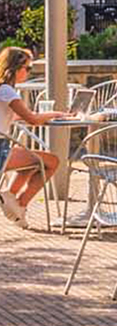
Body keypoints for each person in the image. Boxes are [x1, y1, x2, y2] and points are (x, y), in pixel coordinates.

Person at [0, 47, 73, 227]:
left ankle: (10, 197)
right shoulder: (7, 91)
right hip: (1, 151)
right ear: (15, 68)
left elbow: (16, 115)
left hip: (3, 147)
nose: (29, 72)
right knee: (51, 162)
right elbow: (32, 120)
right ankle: (20, 206)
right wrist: (55, 114)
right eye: (28, 68)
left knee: (32, 162)